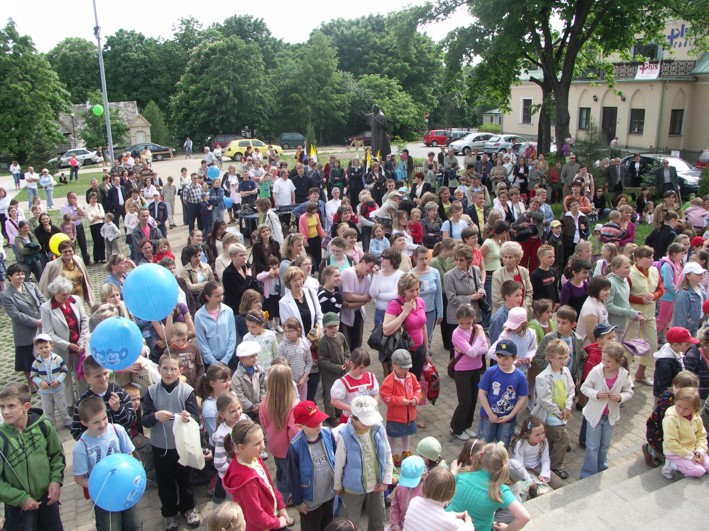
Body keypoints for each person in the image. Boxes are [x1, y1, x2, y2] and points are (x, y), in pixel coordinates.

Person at [142, 352, 201, 530]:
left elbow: (195, 418)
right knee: (165, 482)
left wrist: (188, 417)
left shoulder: (187, 391)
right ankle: (169, 513)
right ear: (158, 369)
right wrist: (155, 416)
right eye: (165, 368)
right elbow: (145, 420)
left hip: (182, 445)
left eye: (173, 369)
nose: (169, 372)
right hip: (160, 447)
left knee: (185, 480)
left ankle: (188, 508)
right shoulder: (151, 392)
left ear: (180, 370)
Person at [0, 384, 66, 530]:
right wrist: (21, 498)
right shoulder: (1, 438)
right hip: (18, 508)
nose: (5, 412)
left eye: (11, 406)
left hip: (47, 500)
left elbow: (57, 455)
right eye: (2, 406)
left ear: (26, 406)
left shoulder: (43, 425)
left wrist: (56, 480)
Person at [72, 396, 139, 530]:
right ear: (84, 423)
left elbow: (129, 456)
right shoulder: (81, 447)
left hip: (125, 488)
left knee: (134, 524)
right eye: (96, 422)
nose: (102, 424)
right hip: (104, 496)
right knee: (110, 526)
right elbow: (79, 478)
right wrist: (99, 486)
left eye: (104, 418)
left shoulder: (117, 430)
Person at [333, 395, 393, 531]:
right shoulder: (345, 436)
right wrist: (337, 485)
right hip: (353, 488)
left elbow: (387, 454)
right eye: (364, 422)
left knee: (378, 519)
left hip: (377, 485)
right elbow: (339, 464)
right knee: (349, 522)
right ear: (353, 418)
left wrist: (386, 480)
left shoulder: (379, 429)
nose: (368, 425)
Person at [222, 419, 293, 531]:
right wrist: (277, 523)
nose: (263, 446)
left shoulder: (254, 457)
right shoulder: (246, 481)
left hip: (271, 518)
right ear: (241, 448)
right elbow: (256, 516)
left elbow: (269, 485)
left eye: (262, 440)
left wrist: (280, 506)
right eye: (257, 444)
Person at [580, 342, 633, 478]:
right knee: (592, 446)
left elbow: (629, 391)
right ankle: (588, 473)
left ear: (619, 361)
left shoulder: (624, 374)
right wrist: (596, 394)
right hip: (594, 416)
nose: (605, 363)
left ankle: (602, 467)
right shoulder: (596, 371)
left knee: (605, 444)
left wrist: (620, 397)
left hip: (610, 416)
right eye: (603, 359)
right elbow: (584, 388)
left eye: (608, 361)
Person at [446, 443, 530, 530]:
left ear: (481, 456)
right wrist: (506, 529)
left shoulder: (462, 473)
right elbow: (524, 517)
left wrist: (453, 472)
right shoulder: (500, 490)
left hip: (448, 524)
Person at [287, 400, 337, 531]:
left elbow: (336, 457)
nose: (318, 425)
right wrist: (298, 501)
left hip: (329, 494)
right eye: (312, 424)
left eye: (319, 420)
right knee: (311, 527)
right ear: (300, 425)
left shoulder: (327, 433)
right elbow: (293, 477)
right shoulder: (295, 447)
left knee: (328, 525)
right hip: (310, 501)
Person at [40, 276, 89, 407]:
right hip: (62, 349)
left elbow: (85, 320)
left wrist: (82, 340)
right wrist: (68, 345)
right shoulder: (46, 308)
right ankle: (69, 405)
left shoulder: (75, 300)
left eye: (68, 293)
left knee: (81, 376)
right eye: (63, 294)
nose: (67, 296)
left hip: (79, 347)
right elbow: (49, 333)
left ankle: (84, 401)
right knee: (65, 378)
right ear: (55, 293)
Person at [530, 339, 575, 480]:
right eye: (560, 358)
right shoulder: (542, 377)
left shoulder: (565, 371)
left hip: (562, 414)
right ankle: (556, 465)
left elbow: (571, 390)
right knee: (563, 439)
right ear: (549, 357)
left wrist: (567, 407)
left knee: (550, 440)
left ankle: (547, 462)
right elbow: (545, 400)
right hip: (550, 416)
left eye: (566, 358)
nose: (563, 361)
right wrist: (559, 412)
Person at [68, 354, 135, 441]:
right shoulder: (83, 402)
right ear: (87, 378)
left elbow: (131, 422)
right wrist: (95, 435)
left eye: (105, 373)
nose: (103, 378)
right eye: (98, 376)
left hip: (122, 443)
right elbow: (76, 432)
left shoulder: (119, 392)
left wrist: (118, 409)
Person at [258, 363, 299, 502]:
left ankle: (276, 491)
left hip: (273, 445)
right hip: (287, 450)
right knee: (289, 476)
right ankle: (280, 500)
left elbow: (263, 422)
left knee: (280, 470)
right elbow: (294, 432)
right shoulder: (292, 406)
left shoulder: (265, 403)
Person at [1, 265, 46, 389]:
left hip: (41, 325)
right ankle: (31, 383)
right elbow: (15, 315)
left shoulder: (31, 286)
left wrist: (43, 316)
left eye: (22, 274)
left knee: (43, 351)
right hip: (24, 330)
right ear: (10, 277)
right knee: (26, 359)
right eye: (17, 274)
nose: (21, 277)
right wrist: (35, 322)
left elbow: (43, 300)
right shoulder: (6, 295)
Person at [479, 338, 529, 447]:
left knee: (502, 446)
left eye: (506, 358)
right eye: (499, 357)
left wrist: (510, 416)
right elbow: (482, 393)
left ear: (514, 357)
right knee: (484, 446)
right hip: (488, 417)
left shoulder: (520, 376)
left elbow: (522, 398)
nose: (501, 361)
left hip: (507, 419)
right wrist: (490, 414)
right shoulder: (490, 372)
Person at [449, 304, 487, 441]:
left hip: (476, 369)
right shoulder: (457, 334)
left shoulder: (477, 328)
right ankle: (456, 428)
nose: (465, 326)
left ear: (473, 319)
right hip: (462, 371)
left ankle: (466, 426)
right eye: (461, 323)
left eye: (468, 323)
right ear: (457, 320)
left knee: (473, 400)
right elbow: (472, 352)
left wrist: (471, 349)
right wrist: (479, 338)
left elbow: (485, 349)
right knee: (465, 402)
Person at [380, 350, 422, 466]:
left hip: (410, 415)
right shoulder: (389, 380)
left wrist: (416, 398)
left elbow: (418, 389)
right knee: (392, 435)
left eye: (407, 367)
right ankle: (392, 454)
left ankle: (406, 451)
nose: (405, 370)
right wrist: (400, 401)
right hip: (395, 417)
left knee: (407, 433)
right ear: (393, 365)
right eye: (402, 367)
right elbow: (385, 397)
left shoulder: (412, 377)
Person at [661, 387, 709, 478]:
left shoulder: (696, 416)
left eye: (686, 409)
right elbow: (671, 442)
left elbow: (701, 435)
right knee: (699, 471)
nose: (681, 410)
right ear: (675, 401)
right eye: (678, 405)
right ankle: (672, 465)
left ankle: (687, 463)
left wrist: (700, 450)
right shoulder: (671, 419)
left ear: (694, 409)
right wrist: (690, 456)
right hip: (675, 452)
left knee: (707, 467)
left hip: (693, 449)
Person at [30, 334, 72, 429]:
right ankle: (51, 425)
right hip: (45, 392)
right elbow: (33, 376)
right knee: (48, 409)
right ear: (37, 349)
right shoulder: (36, 363)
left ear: (51, 346)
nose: (44, 350)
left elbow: (64, 370)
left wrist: (59, 380)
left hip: (58, 389)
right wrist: (41, 382)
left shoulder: (58, 358)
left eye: (46, 347)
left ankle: (67, 421)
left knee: (62, 406)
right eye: (41, 348)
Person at [194, 281, 237, 370]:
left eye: (222, 294)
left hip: (228, 359)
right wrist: (213, 362)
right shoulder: (199, 315)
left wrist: (226, 359)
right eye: (217, 296)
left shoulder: (228, 311)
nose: (221, 298)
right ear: (207, 297)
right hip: (210, 362)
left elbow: (232, 336)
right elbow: (202, 342)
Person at [512, 416, 562, 490]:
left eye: (543, 433)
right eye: (537, 435)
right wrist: (529, 479)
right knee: (532, 487)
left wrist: (543, 474)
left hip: (538, 466)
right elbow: (520, 465)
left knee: (557, 483)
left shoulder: (544, 442)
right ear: (527, 434)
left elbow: (545, 459)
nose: (542, 437)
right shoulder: (521, 444)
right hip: (525, 468)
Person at [318, 312, 351, 423]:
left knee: (340, 392)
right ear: (325, 327)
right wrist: (337, 367)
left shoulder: (341, 336)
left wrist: (347, 360)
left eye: (335, 326)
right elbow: (323, 361)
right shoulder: (323, 342)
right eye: (330, 327)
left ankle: (339, 411)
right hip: (329, 376)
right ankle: (330, 416)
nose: (333, 329)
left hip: (342, 372)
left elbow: (346, 350)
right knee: (329, 395)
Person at [340, 254, 376, 349]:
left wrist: (350, 305)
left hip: (358, 313)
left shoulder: (367, 278)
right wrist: (365, 299)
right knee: (346, 344)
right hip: (345, 314)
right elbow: (348, 296)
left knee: (357, 344)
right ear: (363, 262)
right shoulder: (349, 273)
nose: (371, 270)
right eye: (370, 267)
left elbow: (368, 298)